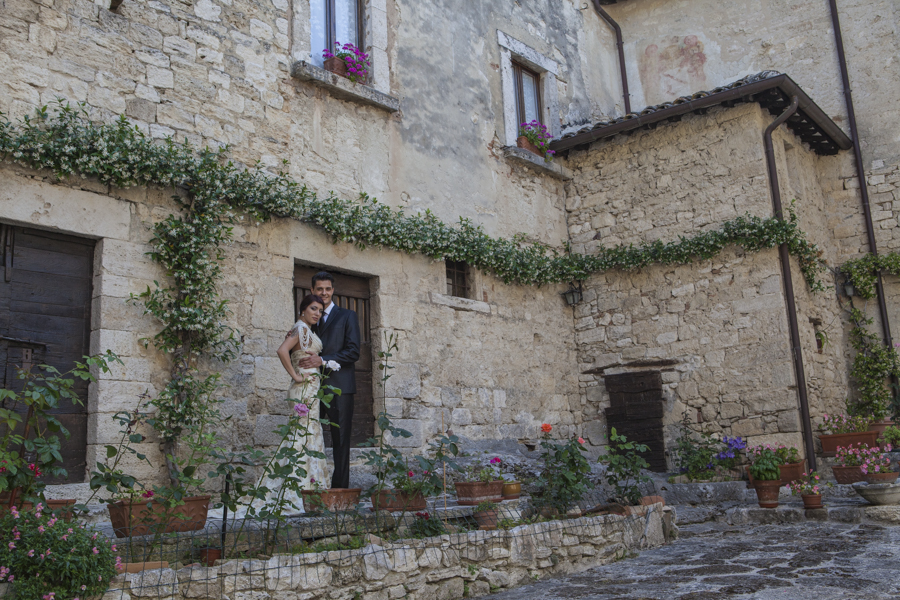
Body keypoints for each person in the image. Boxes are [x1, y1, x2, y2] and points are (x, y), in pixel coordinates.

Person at [254, 293, 331, 514]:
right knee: (301, 434)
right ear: (303, 309)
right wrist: (296, 376)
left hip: (310, 388)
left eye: (320, 311)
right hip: (304, 387)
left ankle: (309, 487)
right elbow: (282, 350)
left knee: (307, 433)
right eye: (313, 308)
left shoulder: (305, 329)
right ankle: (296, 490)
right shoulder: (300, 328)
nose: (317, 314)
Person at [295, 271, 361, 489]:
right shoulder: (309, 318)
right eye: (319, 289)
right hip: (312, 387)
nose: (324, 293)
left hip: (340, 387)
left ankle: (340, 491)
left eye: (328, 289)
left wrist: (322, 360)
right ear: (312, 290)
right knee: (308, 435)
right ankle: (310, 486)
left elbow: (353, 351)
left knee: (340, 441)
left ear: (333, 290)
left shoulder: (347, 316)